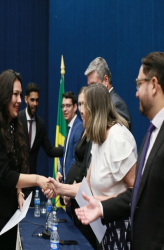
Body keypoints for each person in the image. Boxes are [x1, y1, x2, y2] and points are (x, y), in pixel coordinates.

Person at [76, 52, 164, 250]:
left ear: (154, 85)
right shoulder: (152, 132)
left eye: (139, 84)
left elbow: (136, 191)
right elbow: (139, 194)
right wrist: (101, 206)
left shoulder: (119, 136)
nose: (135, 93)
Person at [44, 83, 137, 249]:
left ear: (95, 109)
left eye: (83, 106)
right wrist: (60, 188)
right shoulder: (98, 138)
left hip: (120, 229)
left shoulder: (118, 138)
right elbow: (87, 187)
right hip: (101, 226)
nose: (81, 111)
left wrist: (102, 202)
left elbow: (136, 193)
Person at [0, 70, 52, 250]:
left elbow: (15, 167)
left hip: (10, 219)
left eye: (20, 94)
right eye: (14, 94)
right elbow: (5, 174)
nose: (18, 100)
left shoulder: (16, 126)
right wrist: (38, 179)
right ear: (3, 94)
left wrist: (18, 193)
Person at [61, 87, 97, 249]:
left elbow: (84, 168)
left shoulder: (85, 129)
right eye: (81, 104)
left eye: (84, 104)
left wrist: (67, 189)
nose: (82, 109)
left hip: (84, 199)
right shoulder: (80, 128)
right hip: (75, 198)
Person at [18, 83, 63, 204]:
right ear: (25, 99)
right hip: (16, 183)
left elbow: (49, 150)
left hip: (32, 183)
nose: (35, 104)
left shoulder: (41, 124)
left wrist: (67, 149)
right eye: (32, 100)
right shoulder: (16, 119)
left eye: (37, 100)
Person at [85, 57, 132, 131]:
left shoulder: (116, 104)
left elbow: (121, 137)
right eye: (89, 86)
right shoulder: (100, 104)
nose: (90, 91)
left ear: (106, 80)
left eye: (93, 85)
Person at [56, 91, 83, 184]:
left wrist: (67, 185)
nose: (64, 109)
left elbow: (75, 160)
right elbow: (66, 156)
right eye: (63, 106)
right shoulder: (70, 128)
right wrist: (59, 171)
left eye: (68, 106)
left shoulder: (79, 127)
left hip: (71, 186)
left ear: (75, 107)